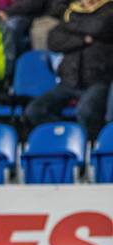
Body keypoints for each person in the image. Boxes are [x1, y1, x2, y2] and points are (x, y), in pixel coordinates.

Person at [24, 0, 113, 140]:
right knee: (35, 110)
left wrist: (69, 29)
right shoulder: (73, 10)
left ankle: (90, 148)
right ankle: (66, 138)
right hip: (69, 81)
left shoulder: (109, 9)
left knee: (86, 112)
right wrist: (84, 39)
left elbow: (98, 26)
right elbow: (53, 40)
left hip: (98, 80)